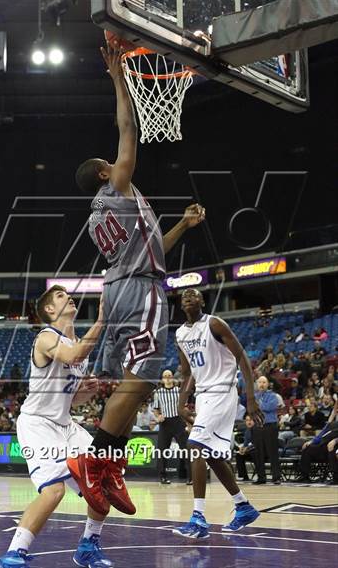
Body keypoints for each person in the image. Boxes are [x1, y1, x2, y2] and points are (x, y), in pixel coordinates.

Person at [68, 43, 205, 516]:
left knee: (138, 380)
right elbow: (128, 129)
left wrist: (184, 226)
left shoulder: (96, 217)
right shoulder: (117, 186)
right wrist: (117, 77)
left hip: (123, 286)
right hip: (140, 290)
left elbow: (152, 252)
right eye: (112, 161)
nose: (118, 160)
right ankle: (94, 459)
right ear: (105, 172)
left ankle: (108, 466)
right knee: (143, 377)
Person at [0, 285, 113, 568]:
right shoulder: (46, 336)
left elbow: (70, 398)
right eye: (60, 296)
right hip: (38, 425)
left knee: (104, 482)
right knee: (54, 491)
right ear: (49, 310)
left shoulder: (77, 342)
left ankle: (88, 545)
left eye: (67, 295)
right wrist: (102, 321)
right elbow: (72, 357)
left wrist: (86, 391)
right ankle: (13, 553)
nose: (68, 297)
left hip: (65, 424)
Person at [172, 288, 263, 538]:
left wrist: (251, 397)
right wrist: (182, 402)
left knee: (195, 446)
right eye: (184, 297)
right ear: (181, 305)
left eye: (194, 295)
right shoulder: (180, 333)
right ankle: (243, 506)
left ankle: (198, 518)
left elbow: (242, 358)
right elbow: (187, 372)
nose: (189, 298)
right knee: (211, 455)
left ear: (202, 301)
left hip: (222, 391)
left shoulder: (214, 323)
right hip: (203, 396)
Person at [153, 369, 191, 484]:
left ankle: (191, 477)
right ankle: (162, 477)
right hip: (165, 423)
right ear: (162, 379)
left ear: (173, 377)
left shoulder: (178, 391)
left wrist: (188, 423)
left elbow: (184, 408)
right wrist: (158, 417)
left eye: (170, 375)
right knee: (162, 450)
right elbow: (156, 410)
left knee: (185, 449)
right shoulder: (158, 393)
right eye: (165, 376)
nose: (168, 378)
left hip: (178, 421)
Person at [295, 401, 338, 483]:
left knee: (332, 448)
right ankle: (304, 476)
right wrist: (311, 441)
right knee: (307, 448)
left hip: (334, 446)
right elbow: (321, 435)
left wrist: (335, 440)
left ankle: (336, 478)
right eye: (336, 409)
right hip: (323, 446)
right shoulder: (331, 424)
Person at [253, 376, 281, 485]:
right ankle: (261, 477)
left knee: (272, 452)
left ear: (268, 384)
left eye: (264, 382)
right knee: (258, 452)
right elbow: (251, 408)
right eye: (260, 382)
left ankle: (276, 477)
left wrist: (258, 404)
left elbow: (269, 407)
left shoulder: (273, 396)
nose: (262, 384)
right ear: (257, 384)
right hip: (258, 426)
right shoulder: (254, 396)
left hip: (270, 426)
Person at [235, 415, 255, 481]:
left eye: (250, 420)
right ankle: (244, 476)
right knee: (239, 455)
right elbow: (245, 443)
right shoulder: (247, 431)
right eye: (247, 420)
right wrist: (242, 448)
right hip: (250, 451)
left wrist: (247, 448)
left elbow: (256, 443)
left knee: (252, 452)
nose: (248, 422)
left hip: (258, 452)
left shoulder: (257, 430)